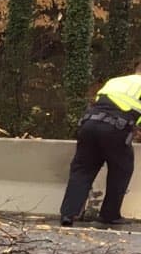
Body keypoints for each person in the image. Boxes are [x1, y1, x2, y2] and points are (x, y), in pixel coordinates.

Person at [59, 71, 141, 227]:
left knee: (82, 169)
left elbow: (102, 103)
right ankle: (110, 214)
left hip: (89, 124)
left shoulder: (115, 80)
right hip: (116, 128)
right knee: (121, 170)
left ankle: (68, 214)